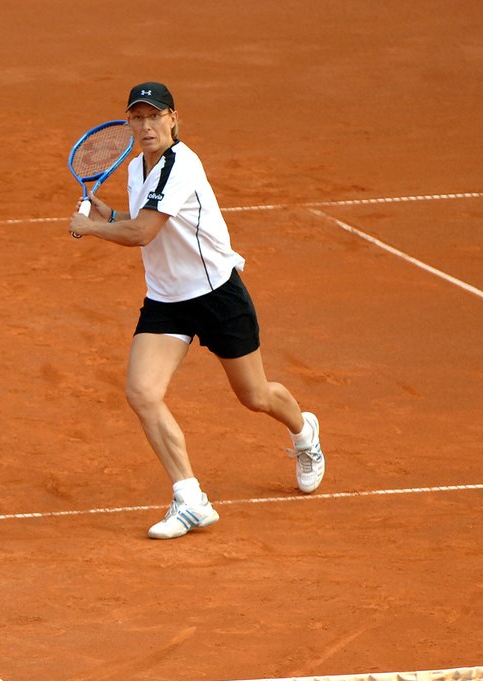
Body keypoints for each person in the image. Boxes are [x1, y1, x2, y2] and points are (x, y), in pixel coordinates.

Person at [69, 82, 325, 539]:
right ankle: (190, 498)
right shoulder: (135, 170)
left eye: (155, 116)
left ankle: (304, 431)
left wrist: (89, 229)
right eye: (138, 117)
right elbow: (137, 222)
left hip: (216, 296)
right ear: (129, 123)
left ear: (174, 118)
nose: (147, 126)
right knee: (142, 393)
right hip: (167, 302)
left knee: (255, 396)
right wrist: (106, 217)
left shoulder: (180, 166)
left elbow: (143, 234)